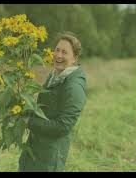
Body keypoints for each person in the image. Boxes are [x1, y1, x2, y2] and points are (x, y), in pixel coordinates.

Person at [18, 32, 87, 172]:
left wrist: (29, 121)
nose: (58, 55)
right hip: (36, 149)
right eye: (57, 50)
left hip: (50, 156)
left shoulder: (74, 87)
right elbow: (47, 110)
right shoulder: (55, 76)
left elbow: (63, 126)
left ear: (74, 58)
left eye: (64, 52)